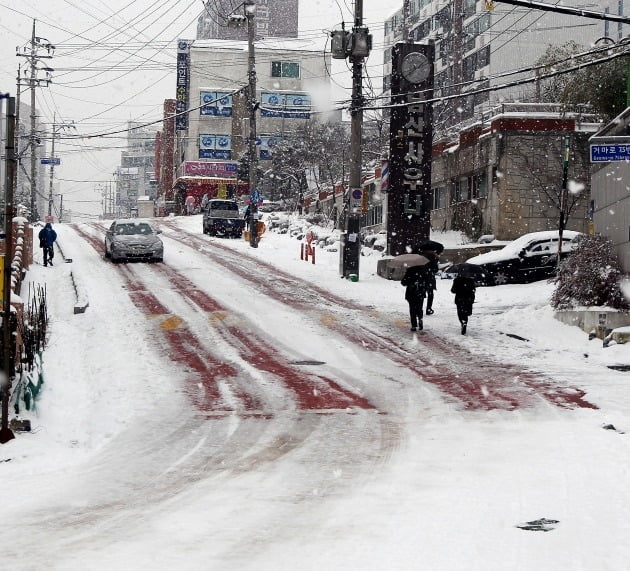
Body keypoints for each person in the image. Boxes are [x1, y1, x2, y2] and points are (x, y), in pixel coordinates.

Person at [401, 265, 430, 332]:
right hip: (420, 293)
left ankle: (414, 325)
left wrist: (408, 281)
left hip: (411, 293)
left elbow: (403, 282)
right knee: (419, 307)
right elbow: (427, 282)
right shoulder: (423, 271)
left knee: (412, 309)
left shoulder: (410, 271)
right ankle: (420, 318)